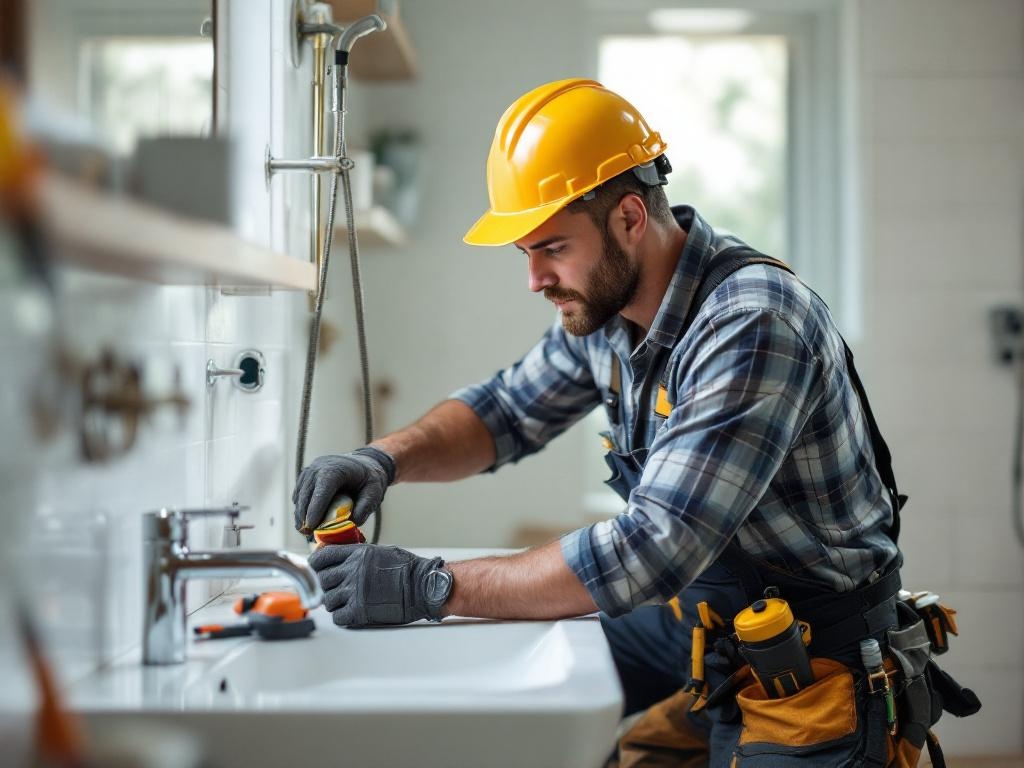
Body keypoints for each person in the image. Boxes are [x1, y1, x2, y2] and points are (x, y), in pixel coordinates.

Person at [293, 79, 975, 765]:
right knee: (511, 699)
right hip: (705, 627)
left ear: (628, 218)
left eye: (552, 248)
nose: (535, 279)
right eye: (524, 253)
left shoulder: (750, 322)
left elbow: (652, 548)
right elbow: (504, 412)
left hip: (818, 660)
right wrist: (382, 458)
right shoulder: (606, 312)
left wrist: (431, 585)